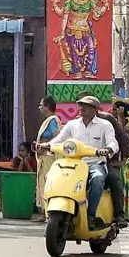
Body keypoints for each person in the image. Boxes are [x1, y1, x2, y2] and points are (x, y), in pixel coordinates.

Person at [41, 95, 118, 231]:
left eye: (85, 105)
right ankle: (52, 212)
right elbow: (59, 139)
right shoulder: (72, 124)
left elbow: (113, 142)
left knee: (98, 178)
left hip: (95, 164)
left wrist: (108, 149)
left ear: (94, 109)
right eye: (80, 105)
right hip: (74, 164)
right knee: (52, 176)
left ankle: (90, 215)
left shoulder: (105, 125)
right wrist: (47, 145)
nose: (81, 108)